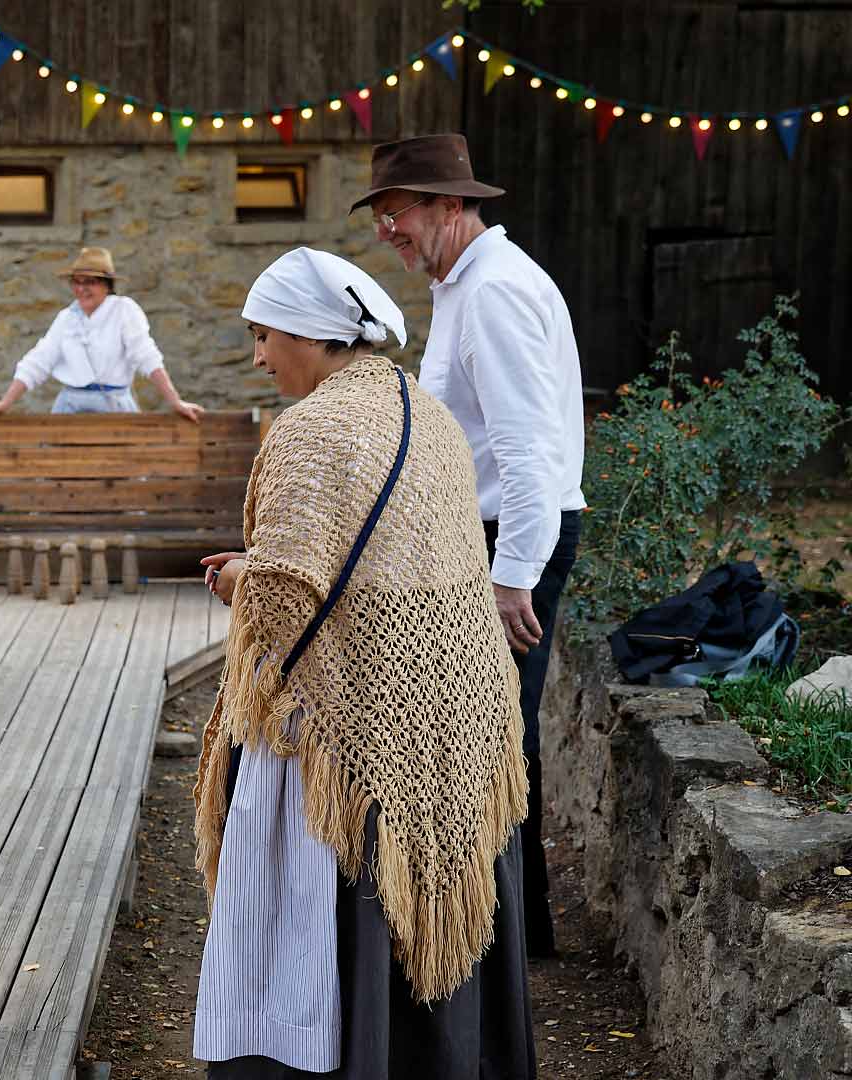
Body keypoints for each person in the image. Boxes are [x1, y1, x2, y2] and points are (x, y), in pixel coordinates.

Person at [192, 247, 534, 1078]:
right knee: (437, 922)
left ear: (309, 335)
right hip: (455, 710)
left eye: (264, 335)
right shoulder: (428, 412)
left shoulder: (311, 427)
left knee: (322, 917)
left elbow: (284, 602)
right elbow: (385, 558)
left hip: (353, 727)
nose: (259, 355)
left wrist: (238, 575)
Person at [354, 133, 586, 957]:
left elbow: (531, 452)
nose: (388, 230)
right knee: (483, 735)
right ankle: (509, 930)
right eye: (382, 214)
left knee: (491, 741)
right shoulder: (462, 283)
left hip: (510, 546)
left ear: (452, 205)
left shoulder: (493, 291)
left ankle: (507, 936)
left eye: (399, 211)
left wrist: (511, 576)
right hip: (484, 541)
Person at [0, 247, 205, 423]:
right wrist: (6, 402)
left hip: (114, 407)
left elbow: (146, 356)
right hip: (70, 408)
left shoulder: (124, 310)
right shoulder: (66, 318)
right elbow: (38, 361)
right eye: (76, 282)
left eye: (90, 282)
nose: (81, 289)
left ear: (107, 285)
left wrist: (174, 401)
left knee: (120, 477)